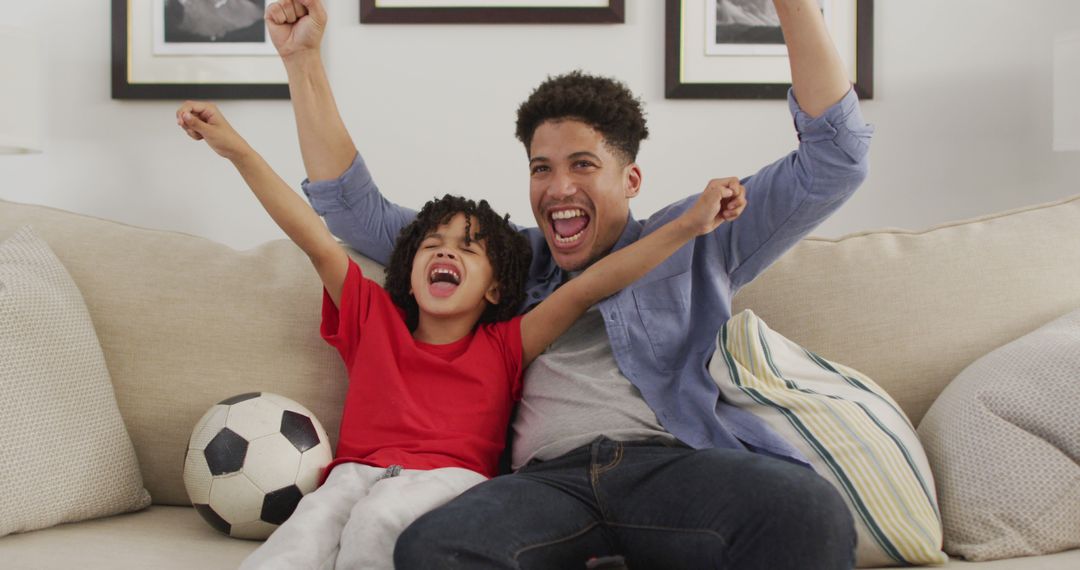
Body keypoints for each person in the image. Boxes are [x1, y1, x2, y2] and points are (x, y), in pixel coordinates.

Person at [266, 0, 872, 567]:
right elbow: (354, 213)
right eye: (541, 169)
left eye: (582, 164)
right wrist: (302, 61)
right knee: (434, 547)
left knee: (806, 507)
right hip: (543, 484)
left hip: (671, 468)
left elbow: (835, 160)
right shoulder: (501, 260)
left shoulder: (700, 232)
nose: (557, 189)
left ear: (631, 179)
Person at [174, 100, 748, 569]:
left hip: (450, 486)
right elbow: (311, 234)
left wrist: (689, 226)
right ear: (411, 269)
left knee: (378, 524)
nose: (447, 249)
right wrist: (238, 151)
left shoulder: (505, 346)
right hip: (351, 477)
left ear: (497, 289)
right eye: (434, 244)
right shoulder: (372, 318)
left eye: (468, 249)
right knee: (298, 542)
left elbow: (590, 286)